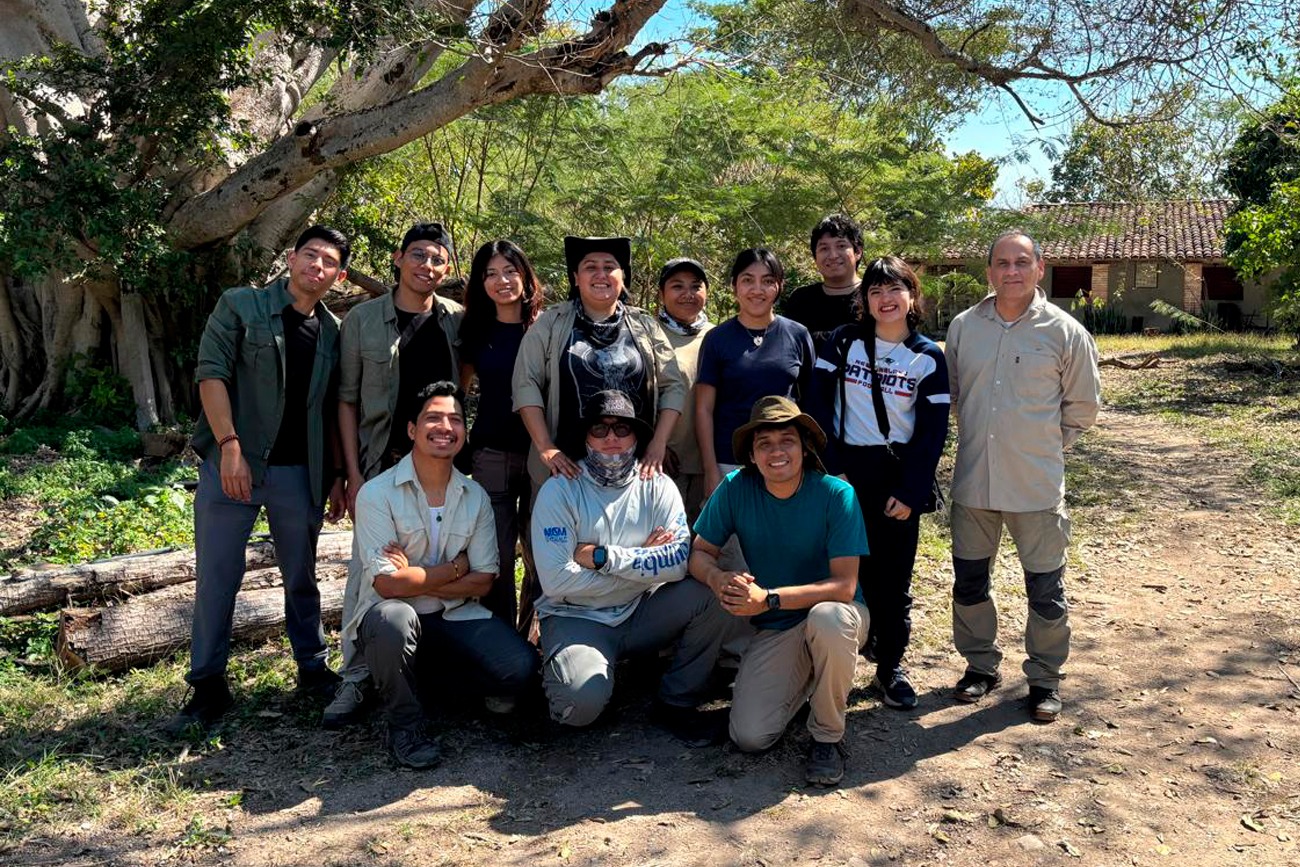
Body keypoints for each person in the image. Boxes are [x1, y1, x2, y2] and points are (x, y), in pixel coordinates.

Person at [166, 225, 350, 735]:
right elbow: (211, 374)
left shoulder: (334, 331)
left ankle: (312, 668)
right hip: (234, 467)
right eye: (310, 255)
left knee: (301, 575)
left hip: (298, 473)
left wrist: (335, 475)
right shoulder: (241, 306)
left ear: (338, 275)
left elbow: (334, 408)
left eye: (329, 262)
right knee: (218, 576)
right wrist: (229, 448)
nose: (317, 266)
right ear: (291, 258)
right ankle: (207, 685)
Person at [945, 230, 1100, 722]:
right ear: (989, 271)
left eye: (1021, 262)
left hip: (1035, 487)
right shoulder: (964, 327)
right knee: (969, 583)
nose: (1011, 271)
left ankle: (1044, 679)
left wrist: (1042, 448)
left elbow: (1083, 408)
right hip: (974, 484)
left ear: (1039, 268)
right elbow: (952, 396)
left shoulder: (1065, 332)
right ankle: (980, 665)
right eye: (1002, 263)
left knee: (1045, 590)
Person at [344, 381, 538, 768]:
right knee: (393, 620)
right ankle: (405, 723)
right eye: (433, 418)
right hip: (391, 617)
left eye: (455, 419)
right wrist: (456, 568)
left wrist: (416, 575)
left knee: (521, 669)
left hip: (454, 614)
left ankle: (425, 684)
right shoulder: (377, 493)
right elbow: (387, 585)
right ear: (412, 430)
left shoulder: (475, 495)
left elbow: (484, 579)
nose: (445, 427)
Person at [690, 396, 870, 786]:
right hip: (780, 625)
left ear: (804, 447)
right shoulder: (736, 488)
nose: (776, 452)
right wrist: (718, 579)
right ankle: (810, 679)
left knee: (827, 619)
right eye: (764, 443)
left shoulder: (837, 495)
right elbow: (700, 553)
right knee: (750, 736)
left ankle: (827, 736)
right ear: (752, 456)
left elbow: (844, 586)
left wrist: (768, 598)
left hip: (838, 612)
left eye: (786, 440)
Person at [327, 221, 465, 728]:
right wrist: (352, 472)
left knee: (437, 557)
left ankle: (431, 668)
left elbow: (464, 386)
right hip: (380, 462)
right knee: (370, 571)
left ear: (446, 269)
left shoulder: (456, 320)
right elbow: (345, 400)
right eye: (419, 256)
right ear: (398, 258)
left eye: (437, 260)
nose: (427, 266)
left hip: (442, 467)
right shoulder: (362, 320)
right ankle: (355, 677)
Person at [531, 390, 728, 744]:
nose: (611, 438)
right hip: (577, 617)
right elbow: (558, 581)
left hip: (641, 612)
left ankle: (676, 700)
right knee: (578, 708)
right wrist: (643, 562)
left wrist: (606, 557)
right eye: (600, 429)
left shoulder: (659, 485)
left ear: (637, 436)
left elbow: (678, 561)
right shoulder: (558, 491)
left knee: (708, 594)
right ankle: (573, 672)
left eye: (622, 428)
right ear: (585, 437)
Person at [513, 236, 687, 631]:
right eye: (590, 266)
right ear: (575, 277)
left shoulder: (644, 325)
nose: (600, 274)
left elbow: (674, 384)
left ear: (623, 277)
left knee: (643, 544)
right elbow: (526, 385)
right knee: (552, 558)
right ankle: (540, 644)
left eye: (609, 266)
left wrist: (657, 444)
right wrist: (546, 448)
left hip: (633, 463)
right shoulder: (551, 324)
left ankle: (634, 640)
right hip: (566, 466)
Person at [811, 256, 950, 712]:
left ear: (912, 296)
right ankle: (829, 659)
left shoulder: (928, 356)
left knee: (894, 579)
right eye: (875, 291)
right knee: (840, 571)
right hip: (847, 469)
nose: (885, 299)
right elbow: (816, 403)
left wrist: (912, 491)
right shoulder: (843, 342)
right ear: (863, 299)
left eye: (895, 290)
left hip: (898, 472)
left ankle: (890, 666)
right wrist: (832, 466)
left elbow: (932, 433)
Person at [458, 240, 545, 632]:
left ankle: (534, 638)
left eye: (510, 271)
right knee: (495, 553)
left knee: (541, 551)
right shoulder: (474, 330)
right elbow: (458, 394)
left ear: (525, 277)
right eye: (491, 274)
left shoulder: (546, 328)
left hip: (542, 455)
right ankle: (502, 643)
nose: (502, 281)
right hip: (490, 453)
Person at [697, 248, 815, 502]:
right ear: (734, 286)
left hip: (783, 459)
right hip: (729, 462)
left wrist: (807, 457)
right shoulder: (717, 339)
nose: (757, 289)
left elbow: (810, 402)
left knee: (781, 538)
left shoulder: (798, 335)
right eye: (748, 280)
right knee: (731, 542)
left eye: (768, 281)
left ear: (780, 286)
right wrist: (710, 470)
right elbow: (704, 409)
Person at [654, 257, 714, 523]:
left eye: (695, 286)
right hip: (663, 463)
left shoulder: (719, 336)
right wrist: (655, 443)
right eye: (677, 286)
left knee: (705, 545)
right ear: (662, 294)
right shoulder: (646, 333)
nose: (688, 294)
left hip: (710, 464)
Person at [781, 214, 864, 344]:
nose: (833, 255)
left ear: (858, 251)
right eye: (824, 248)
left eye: (841, 246)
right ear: (815, 256)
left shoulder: (874, 296)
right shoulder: (801, 299)